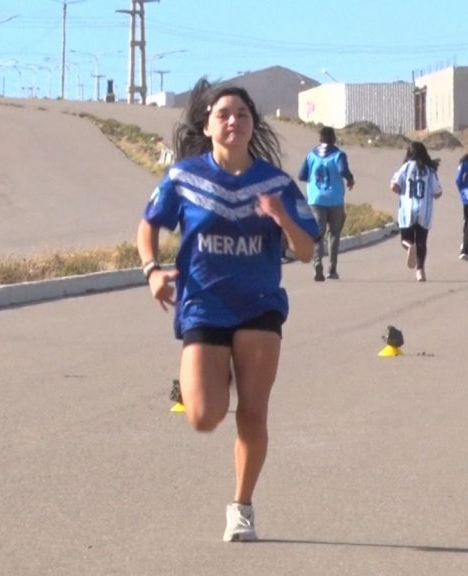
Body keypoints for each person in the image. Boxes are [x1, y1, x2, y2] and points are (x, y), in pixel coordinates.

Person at [136, 79, 319, 542]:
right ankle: (215, 376)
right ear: (208, 124)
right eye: (223, 114)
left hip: (259, 306)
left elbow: (305, 252)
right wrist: (152, 270)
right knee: (203, 416)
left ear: (253, 124)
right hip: (204, 305)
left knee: (252, 414)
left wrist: (280, 218)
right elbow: (148, 224)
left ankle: (241, 508)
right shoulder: (184, 177)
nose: (233, 120)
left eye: (241, 114)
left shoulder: (276, 183)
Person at [298, 126, 355, 281]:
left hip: (316, 199)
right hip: (335, 200)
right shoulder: (338, 155)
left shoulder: (311, 155)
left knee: (318, 235)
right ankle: (332, 268)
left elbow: (301, 175)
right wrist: (350, 178)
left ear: (320, 139)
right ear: (334, 139)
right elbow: (343, 170)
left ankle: (317, 263)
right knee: (334, 234)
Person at [390, 141, 442, 282]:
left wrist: (402, 192)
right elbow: (438, 192)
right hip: (424, 210)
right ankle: (420, 271)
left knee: (405, 239)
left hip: (407, 210)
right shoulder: (430, 171)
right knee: (422, 241)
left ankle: (408, 247)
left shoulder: (405, 168)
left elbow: (394, 186)